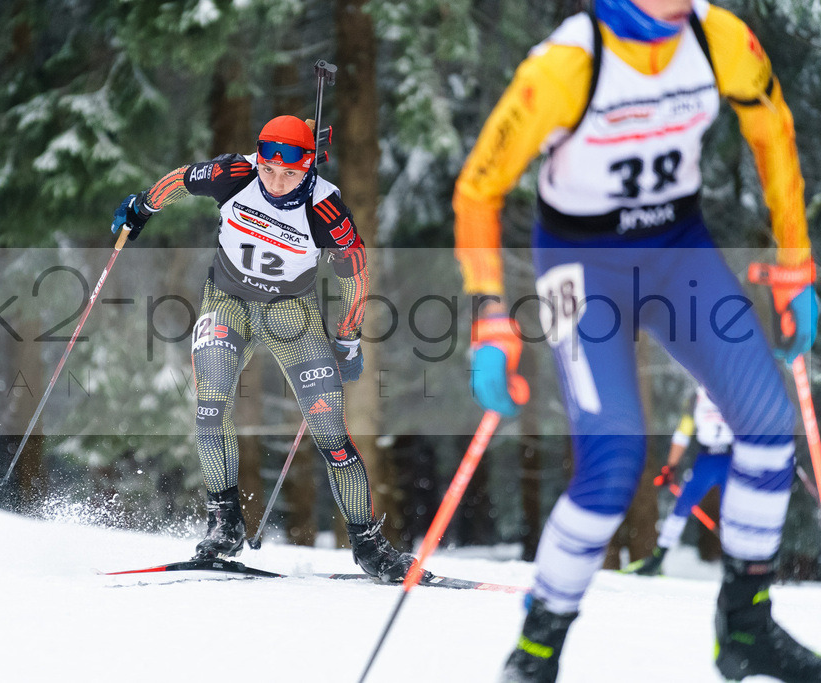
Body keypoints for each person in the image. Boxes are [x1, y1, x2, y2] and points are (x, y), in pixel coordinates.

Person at [453, 0, 821, 680]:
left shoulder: (719, 38)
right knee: (612, 461)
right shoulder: (570, 62)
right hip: (579, 263)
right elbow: (480, 189)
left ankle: (746, 625)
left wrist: (795, 261)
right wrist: (491, 313)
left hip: (676, 249)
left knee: (769, 423)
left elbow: (772, 127)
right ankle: (537, 645)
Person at [111, 115, 418, 582]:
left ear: (309, 165)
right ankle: (225, 524)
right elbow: (180, 181)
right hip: (227, 302)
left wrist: (348, 337)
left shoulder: (325, 208)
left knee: (331, 429)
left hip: (290, 314)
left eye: (290, 174)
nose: (276, 182)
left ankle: (369, 545)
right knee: (210, 407)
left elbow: (355, 275)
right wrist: (142, 206)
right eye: (269, 170)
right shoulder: (235, 174)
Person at [622, 385, 732, 576]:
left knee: (734, 514)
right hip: (707, 460)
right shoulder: (695, 398)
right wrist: (670, 467)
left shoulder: (733, 392)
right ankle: (657, 559)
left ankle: (739, 565)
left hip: (732, 459)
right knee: (681, 507)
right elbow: (683, 433)